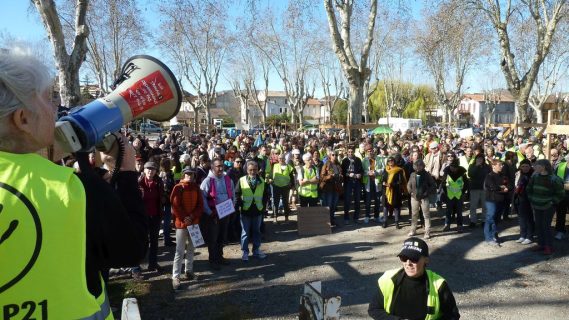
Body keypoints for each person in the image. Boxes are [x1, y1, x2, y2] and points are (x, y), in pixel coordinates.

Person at [0, 48, 147, 318]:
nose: (56, 108)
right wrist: (125, 172)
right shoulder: (74, 189)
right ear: (22, 119)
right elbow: (132, 248)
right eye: (48, 98)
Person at [368, 237, 460, 319]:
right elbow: (374, 309)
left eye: (414, 258)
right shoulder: (388, 280)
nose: (408, 263)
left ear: (426, 260)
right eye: (403, 258)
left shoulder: (439, 284)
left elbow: (453, 315)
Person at [170, 167, 204, 290]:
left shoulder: (196, 187)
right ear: (183, 175)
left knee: (191, 248)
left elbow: (200, 204)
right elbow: (175, 205)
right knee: (179, 251)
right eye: (187, 174)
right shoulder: (178, 187)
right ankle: (175, 276)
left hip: (194, 222)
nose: (189, 175)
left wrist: (192, 216)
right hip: (182, 224)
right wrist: (185, 217)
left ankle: (189, 271)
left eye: (192, 174)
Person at [200, 158, 236, 270]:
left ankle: (220, 257)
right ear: (212, 167)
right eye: (218, 166)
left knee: (222, 236)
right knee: (213, 238)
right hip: (213, 215)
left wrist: (232, 206)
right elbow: (203, 199)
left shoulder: (228, 179)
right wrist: (210, 213)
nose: (220, 168)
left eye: (222, 166)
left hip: (226, 213)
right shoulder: (207, 181)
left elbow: (233, 194)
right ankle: (213, 260)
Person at [527, 159, 565, 255]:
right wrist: (532, 199)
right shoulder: (535, 177)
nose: (535, 167)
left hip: (548, 206)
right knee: (538, 225)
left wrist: (552, 202)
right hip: (536, 205)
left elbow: (560, 194)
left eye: (537, 166)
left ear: (543, 167)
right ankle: (541, 244)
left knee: (546, 226)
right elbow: (529, 189)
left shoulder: (554, 179)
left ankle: (549, 246)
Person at [235, 161, 270, 261]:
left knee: (257, 232)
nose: (252, 172)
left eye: (254, 169)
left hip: (258, 210)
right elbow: (237, 194)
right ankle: (245, 252)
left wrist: (263, 206)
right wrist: (239, 205)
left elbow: (266, 195)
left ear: (257, 170)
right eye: (250, 170)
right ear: (247, 170)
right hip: (246, 210)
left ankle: (256, 250)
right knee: (245, 233)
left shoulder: (262, 181)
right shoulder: (241, 180)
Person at [139, 161, 165, 271]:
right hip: (142, 217)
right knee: (142, 242)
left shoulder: (159, 182)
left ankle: (153, 263)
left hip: (155, 215)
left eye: (153, 169)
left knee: (154, 241)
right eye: (148, 169)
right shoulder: (139, 182)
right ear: (144, 170)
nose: (150, 171)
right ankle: (137, 267)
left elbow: (162, 196)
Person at [407, 159, 436, 239]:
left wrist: (427, 192)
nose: (418, 167)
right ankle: (413, 230)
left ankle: (427, 231)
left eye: (420, 165)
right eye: (417, 165)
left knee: (426, 215)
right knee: (414, 214)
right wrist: (410, 192)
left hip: (424, 197)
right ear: (414, 166)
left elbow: (433, 185)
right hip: (414, 197)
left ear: (423, 166)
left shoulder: (427, 175)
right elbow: (408, 185)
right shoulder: (412, 174)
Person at [440, 156, 469, 233]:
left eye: (455, 167)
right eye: (452, 167)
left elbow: (466, 183)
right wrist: (446, 192)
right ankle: (447, 224)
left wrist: (462, 192)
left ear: (458, 167)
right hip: (449, 194)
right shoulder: (447, 172)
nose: (453, 169)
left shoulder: (462, 173)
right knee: (448, 210)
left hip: (459, 194)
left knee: (459, 211)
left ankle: (459, 225)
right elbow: (443, 183)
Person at [484, 159, 508, 246]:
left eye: (502, 165)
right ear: (493, 166)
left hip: (501, 199)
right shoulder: (489, 176)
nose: (501, 166)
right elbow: (492, 186)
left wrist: (504, 187)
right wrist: (501, 187)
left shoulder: (503, 175)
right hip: (491, 200)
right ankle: (489, 237)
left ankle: (494, 235)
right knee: (490, 217)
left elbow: (508, 184)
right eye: (499, 165)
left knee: (497, 218)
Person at [513, 159, 534, 245]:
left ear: (530, 167)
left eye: (527, 166)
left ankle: (529, 236)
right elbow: (516, 185)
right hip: (519, 198)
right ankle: (522, 235)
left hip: (529, 199)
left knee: (529, 218)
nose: (525, 168)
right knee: (521, 218)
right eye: (523, 166)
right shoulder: (518, 174)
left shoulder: (533, 174)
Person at [320, 150, 343, 226]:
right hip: (328, 188)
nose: (335, 156)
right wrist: (329, 176)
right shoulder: (326, 164)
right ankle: (326, 222)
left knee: (334, 206)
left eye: (336, 155)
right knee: (328, 205)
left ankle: (332, 219)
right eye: (333, 155)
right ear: (329, 156)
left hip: (336, 188)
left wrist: (341, 176)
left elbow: (341, 175)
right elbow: (322, 177)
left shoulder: (338, 164)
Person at [341, 146, 363, 224]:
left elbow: (361, 170)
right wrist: (348, 174)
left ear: (354, 152)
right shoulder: (344, 161)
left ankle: (356, 217)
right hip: (348, 182)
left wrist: (359, 175)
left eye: (351, 152)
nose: (350, 153)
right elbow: (342, 172)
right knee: (347, 200)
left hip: (357, 182)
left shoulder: (358, 160)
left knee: (357, 200)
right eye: (349, 152)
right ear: (347, 152)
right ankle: (346, 217)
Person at [467, 154, 490, 228]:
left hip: (484, 189)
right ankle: (473, 221)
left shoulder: (487, 167)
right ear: (475, 159)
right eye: (478, 159)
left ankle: (484, 220)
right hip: (474, 188)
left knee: (484, 206)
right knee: (473, 206)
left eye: (481, 159)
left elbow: (489, 176)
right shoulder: (472, 166)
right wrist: (476, 166)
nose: (480, 160)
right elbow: (470, 174)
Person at [271, 153, 295, 221]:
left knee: (285, 202)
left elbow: (292, 177)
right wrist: (271, 181)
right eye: (280, 158)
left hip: (285, 187)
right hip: (276, 186)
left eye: (282, 158)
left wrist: (292, 185)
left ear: (285, 159)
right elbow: (270, 175)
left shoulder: (289, 167)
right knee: (276, 202)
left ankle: (286, 217)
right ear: (278, 159)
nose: (281, 160)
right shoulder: (274, 166)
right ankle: (275, 217)